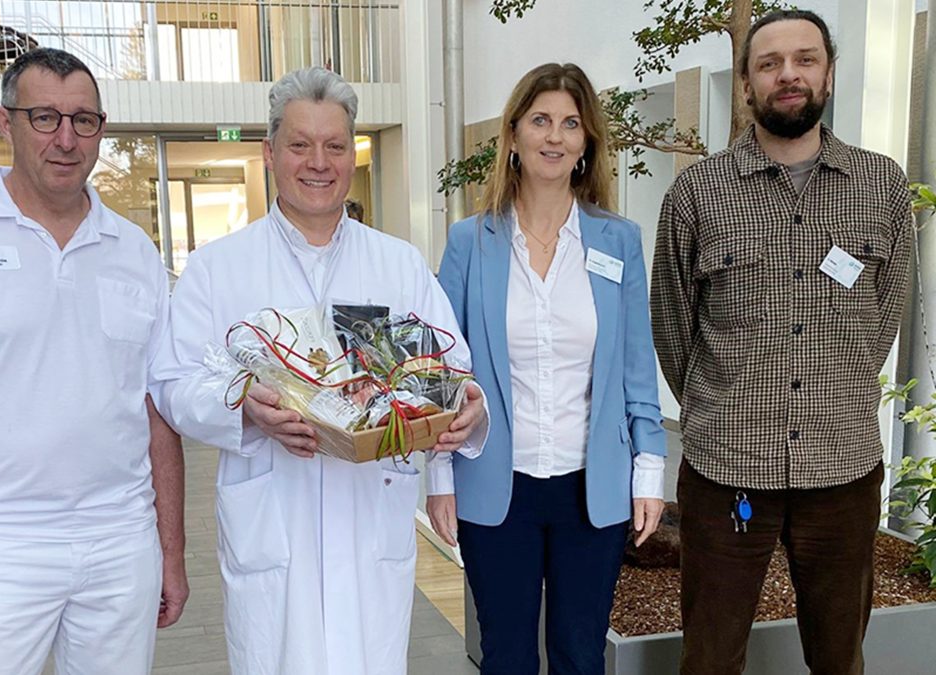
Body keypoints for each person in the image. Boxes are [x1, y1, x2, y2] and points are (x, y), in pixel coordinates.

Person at [154, 67, 488, 675]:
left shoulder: (398, 263)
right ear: (269, 152)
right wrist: (241, 403)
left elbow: (452, 368)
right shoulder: (218, 267)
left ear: (351, 152)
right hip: (271, 522)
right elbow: (173, 384)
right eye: (300, 144)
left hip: (371, 518)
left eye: (335, 145)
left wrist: (467, 405)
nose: (318, 161)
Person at [0, 48, 188, 674]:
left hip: (120, 546)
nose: (66, 139)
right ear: (5, 123)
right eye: (44, 117)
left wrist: (170, 554)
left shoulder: (134, 251)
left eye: (84, 120)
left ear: (102, 128)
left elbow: (158, 414)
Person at [650, 10, 913, 674]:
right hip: (726, 473)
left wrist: (840, 389)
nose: (788, 75)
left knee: (838, 657)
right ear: (745, 83)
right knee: (709, 658)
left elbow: (886, 316)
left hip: (843, 469)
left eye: (804, 59)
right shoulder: (696, 194)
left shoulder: (881, 186)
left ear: (828, 72)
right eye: (769, 64)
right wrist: (725, 404)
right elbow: (673, 326)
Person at [430, 62, 667, 675]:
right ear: (513, 135)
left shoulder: (618, 241)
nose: (554, 136)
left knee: (580, 655)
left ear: (587, 143)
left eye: (570, 123)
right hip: (495, 487)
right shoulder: (469, 242)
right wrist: (437, 477)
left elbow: (636, 365)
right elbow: (439, 372)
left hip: (593, 490)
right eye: (540, 120)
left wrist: (649, 473)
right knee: (506, 657)